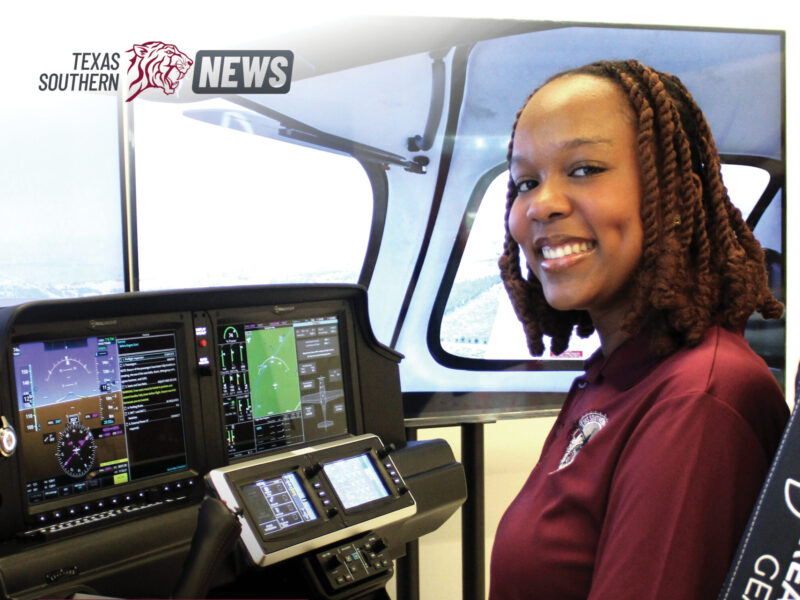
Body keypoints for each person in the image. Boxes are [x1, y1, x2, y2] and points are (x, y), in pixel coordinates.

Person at [488, 59, 789, 600]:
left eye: (584, 169)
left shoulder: (697, 399)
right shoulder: (618, 372)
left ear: (670, 193)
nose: (542, 204)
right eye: (525, 181)